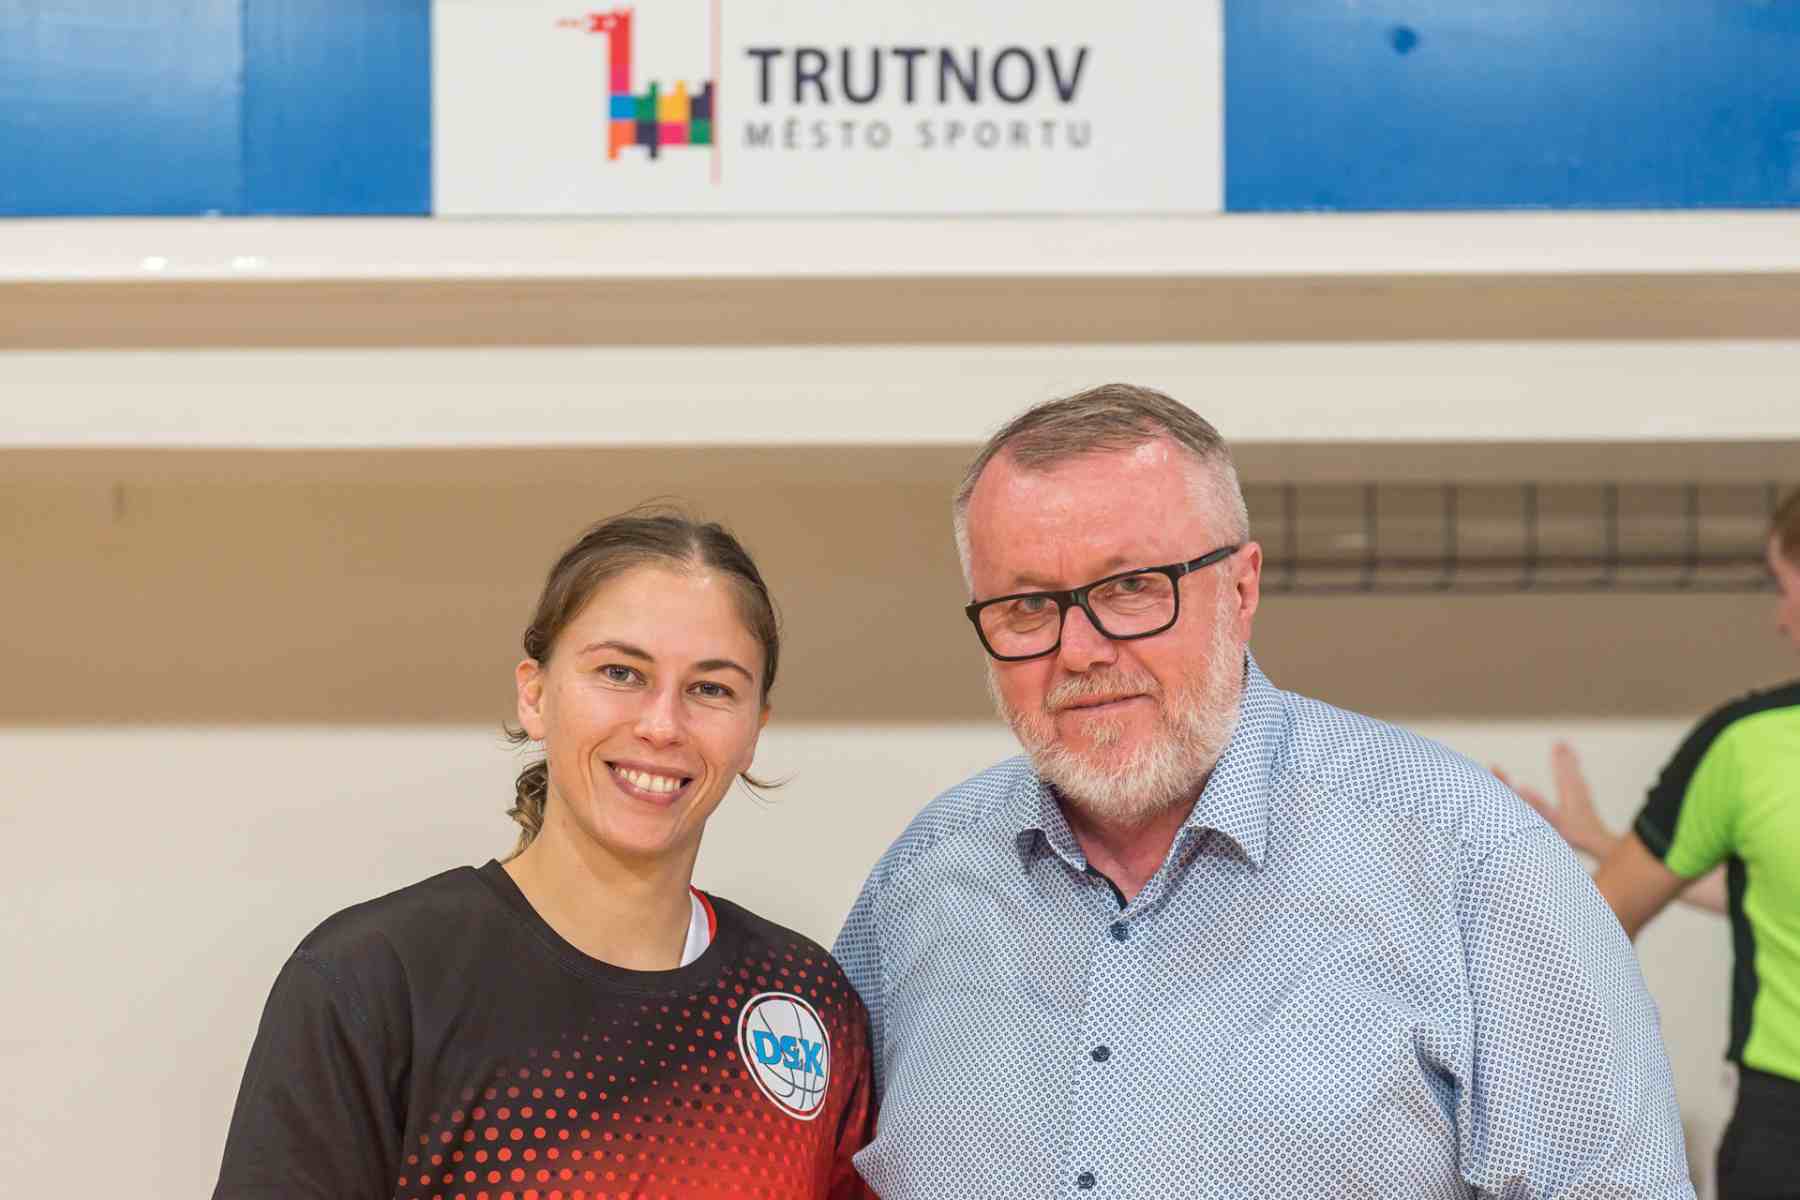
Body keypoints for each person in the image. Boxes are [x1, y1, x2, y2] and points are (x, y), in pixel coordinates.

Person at [834, 384, 1694, 1198]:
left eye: (1132, 588)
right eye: (1027, 606)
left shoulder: (1469, 858)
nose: (1082, 652)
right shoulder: (918, 888)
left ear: (1241, 589)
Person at [213, 510, 875, 1200]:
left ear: (754, 729)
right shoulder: (374, 980)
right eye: (621, 672)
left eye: (712, 688)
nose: (662, 725)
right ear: (534, 694)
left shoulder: (808, 1000)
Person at [1498, 485, 1800, 1200]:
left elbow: (1584, 941)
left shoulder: (1748, 745)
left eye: (1783, 586)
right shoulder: (1746, 748)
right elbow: (1768, 893)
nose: (1781, 619)